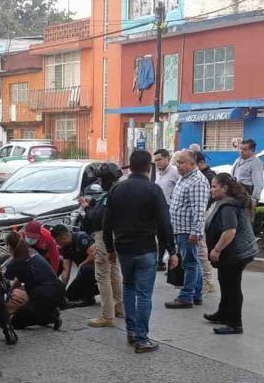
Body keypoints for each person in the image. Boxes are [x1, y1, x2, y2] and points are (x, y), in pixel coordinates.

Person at [103, 150, 177, 353]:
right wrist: (171, 250)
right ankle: (142, 338)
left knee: (128, 287)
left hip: (124, 248)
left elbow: (107, 221)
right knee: (144, 294)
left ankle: (132, 331)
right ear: (148, 167)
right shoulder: (153, 190)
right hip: (145, 248)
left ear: (130, 165)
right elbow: (164, 223)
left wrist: (110, 248)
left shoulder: (117, 190)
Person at [204, 173, 258, 334]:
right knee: (224, 282)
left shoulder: (228, 206)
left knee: (232, 286)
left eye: (214, 186)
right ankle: (223, 313)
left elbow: (230, 231)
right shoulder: (227, 202)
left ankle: (235, 323)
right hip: (233, 253)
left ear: (225, 188)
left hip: (235, 254)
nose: (211, 190)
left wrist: (217, 249)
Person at [79, 163, 124, 327]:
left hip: (104, 238)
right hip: (116, 237)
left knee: (102, 275)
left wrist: (87, 208)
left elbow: (97, 217)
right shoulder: (120, 191)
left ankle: (107, 315)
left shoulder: (110, 194)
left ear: (107, 179)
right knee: (114, 272)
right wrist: (92, 205)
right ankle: (119, 308)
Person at [166, 149, 210, 309]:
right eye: (177, 162)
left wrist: (195, 232)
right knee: (192, 262)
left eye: (182, 162)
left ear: (193, 163)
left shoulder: (197, 181)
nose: (178, 165)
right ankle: (196, 293)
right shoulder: (184, 178)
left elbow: (198, 209)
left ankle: (186, 296)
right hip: (180, 228)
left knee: (189, 263)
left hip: (188, 230)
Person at [4, 232, 63, 330]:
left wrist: (10, 292)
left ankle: (51, 317)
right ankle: (50, 310)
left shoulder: (15, 263)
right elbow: (21, 277)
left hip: (44, 294)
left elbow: (6, 281)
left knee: (16, 322)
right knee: (32, 305)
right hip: (58, 289)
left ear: (9, 246)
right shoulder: (32, 252)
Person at [51, 225, 98, 307]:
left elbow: (93, 254)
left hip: (97, 270)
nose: (57, 243)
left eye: (57, 240)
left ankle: (89, 299)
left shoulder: (81, 238)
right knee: (70, 295)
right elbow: (66, 270)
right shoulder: (66, 248)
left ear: (63, 237)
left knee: (86, 268)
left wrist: (82, 264)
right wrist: (62, 292)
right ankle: (92, 291)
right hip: (83, 274)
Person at [152, 149, 180, 270]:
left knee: (168, 235)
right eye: (156, 160)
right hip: (158, 209)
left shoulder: (175, 172)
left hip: (171, 209)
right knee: (160, 236)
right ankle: (160, 261)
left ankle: (172, 260)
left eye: (159, 159)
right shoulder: (157, 173)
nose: (157, 163)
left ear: (167, 158)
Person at [194, 151, 216, 295]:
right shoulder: (200, 176)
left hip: (204, 216)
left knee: (201, 250)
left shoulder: (207, 177)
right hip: (201, 217)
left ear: (200, 163)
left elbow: (205, 202)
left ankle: (207, 281)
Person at [231, 139, 264, 204]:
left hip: (247, 194)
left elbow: (258, 183)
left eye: (245, 149)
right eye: (240, 149)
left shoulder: (255, 163)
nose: (241, 151)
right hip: (236, 193)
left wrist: (254, 199)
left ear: (252, 150)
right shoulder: (238, 160)